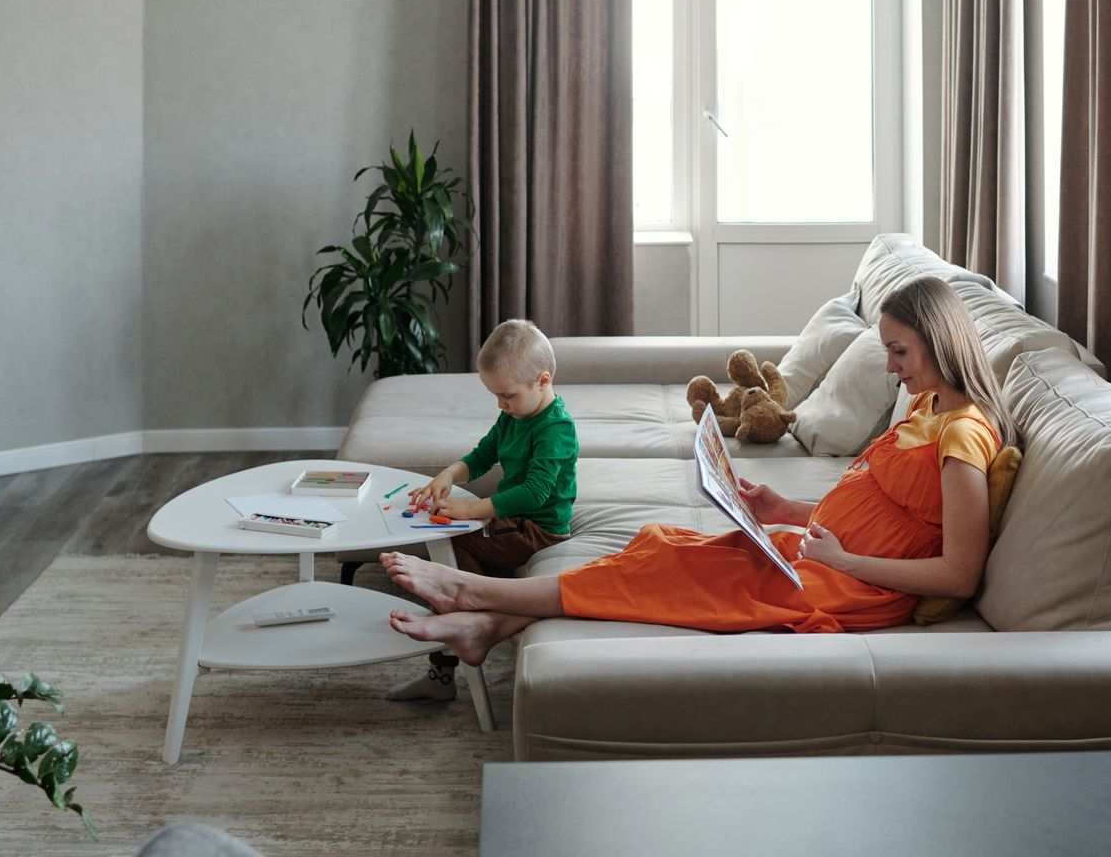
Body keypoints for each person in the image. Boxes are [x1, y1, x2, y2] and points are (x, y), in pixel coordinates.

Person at [379, 276, 1006, 666]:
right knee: (660, 548)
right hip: (816, 555)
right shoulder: (926, 408)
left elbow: (957, 573)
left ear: (940, 341)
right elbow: (883, 515)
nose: (892, 368)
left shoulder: (963, 438)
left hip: (850, 586)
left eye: (898, 352)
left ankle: (473, 592)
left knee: (665, 571)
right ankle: (488, 627)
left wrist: (842, 560)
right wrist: (785, 510)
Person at [384, 318, 578, 700]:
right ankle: (456, 640)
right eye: (495, 396)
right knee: (447, 539)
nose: (501, 404)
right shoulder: (513, 415)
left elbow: (536, 493)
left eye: (507, 395)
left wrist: (474, 510)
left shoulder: (556, 428)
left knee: (453, 547)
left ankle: (467, 613)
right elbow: (484, 454)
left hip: (538, 530)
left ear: (542, 381)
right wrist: (449, 473)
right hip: (512, 521)